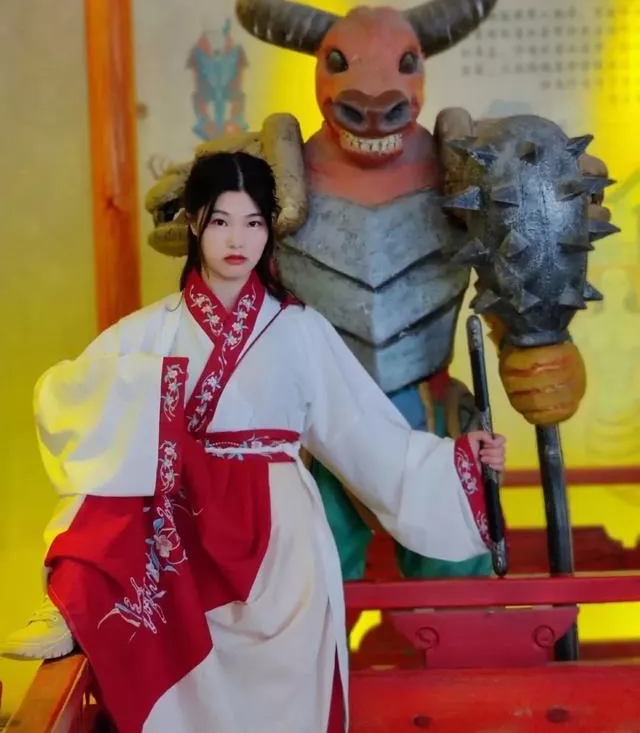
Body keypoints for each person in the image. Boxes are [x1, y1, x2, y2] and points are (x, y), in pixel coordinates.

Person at [2, 151, 506, 733]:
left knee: (286, 703)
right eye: (220, 221)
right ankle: (74, 604)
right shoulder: (150, 331)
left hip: (284, 549)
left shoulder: (301, 330)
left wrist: (463, 462)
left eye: (253, 223)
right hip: (186, 541)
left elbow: (367, 435)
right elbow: (65, 398)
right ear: (193, 223)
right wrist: (150, 398)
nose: (237, 240)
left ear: (270, 230)